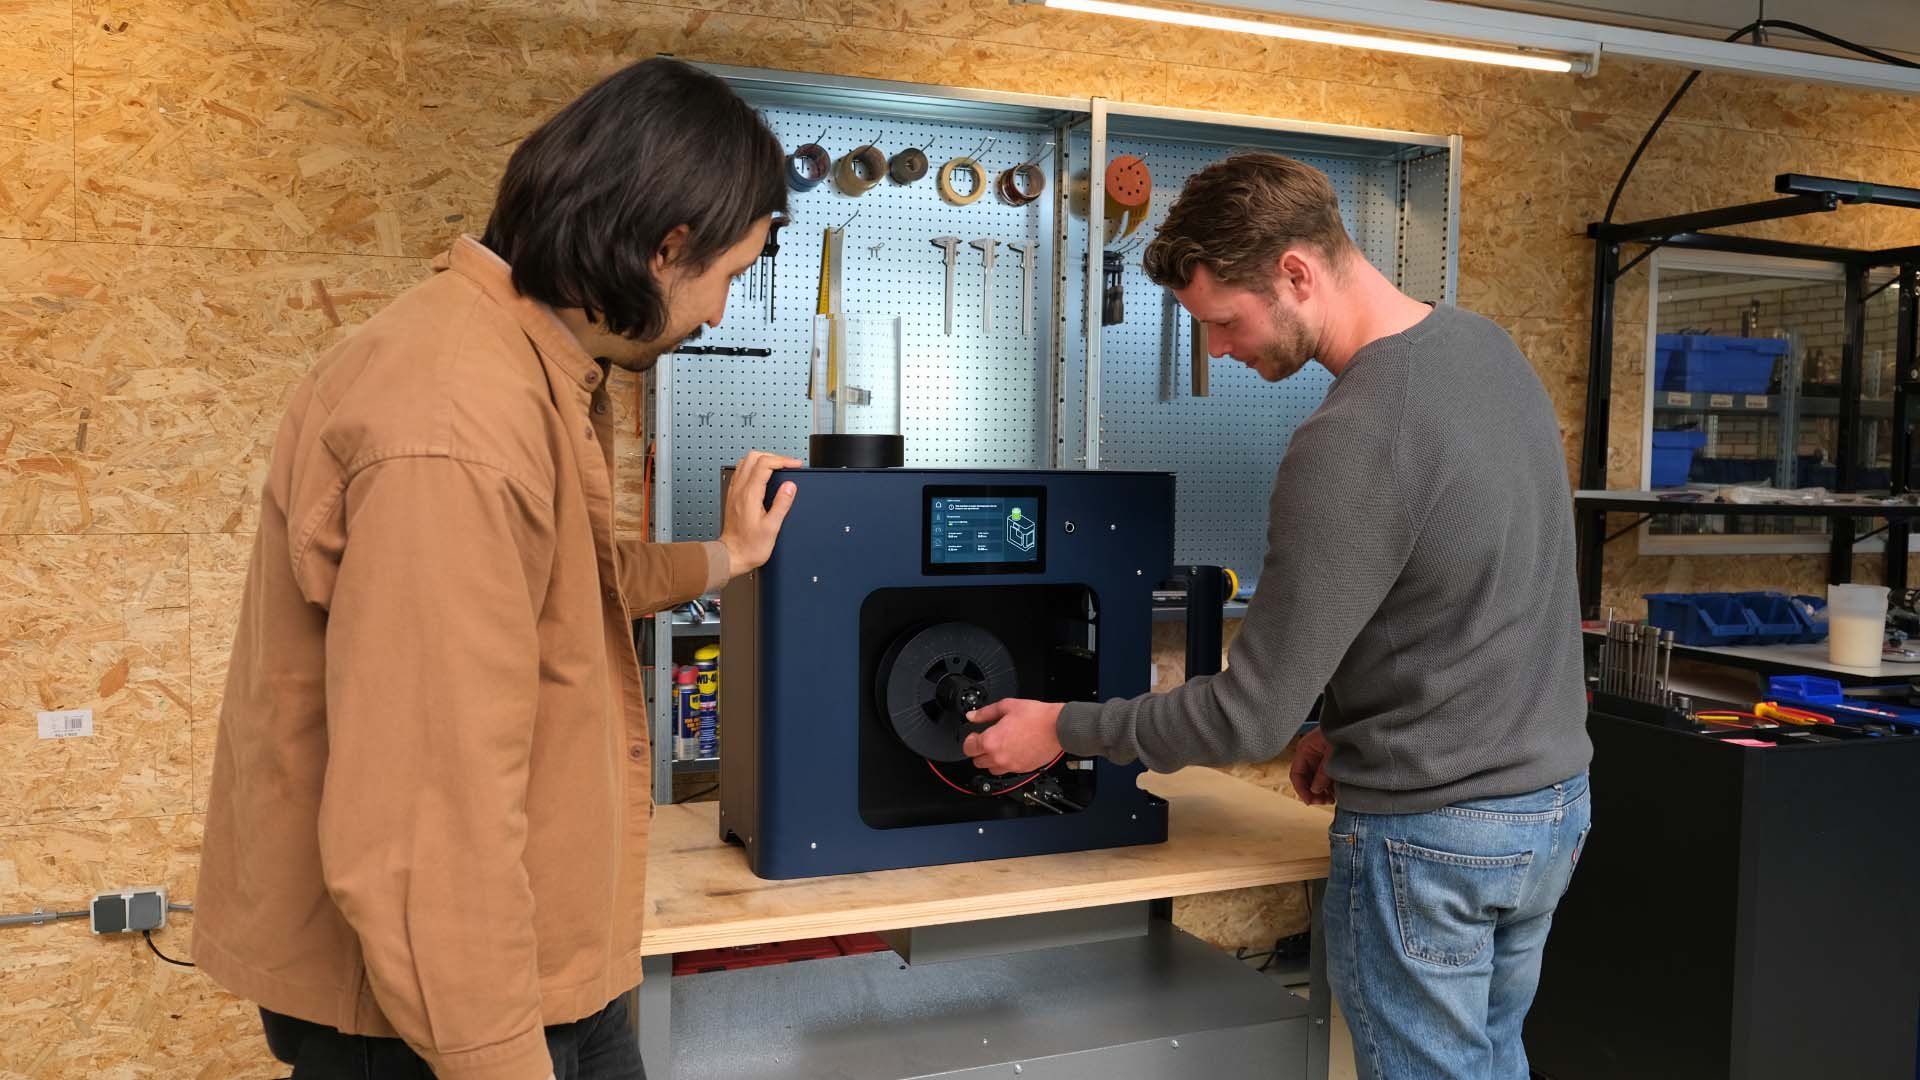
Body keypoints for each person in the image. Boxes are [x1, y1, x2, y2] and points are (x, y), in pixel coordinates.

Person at [195, 58, 797, 1080]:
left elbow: (556, 589)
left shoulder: (514, 368)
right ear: (667, 247)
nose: (723, 316)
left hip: (533, 982)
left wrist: (724, 557)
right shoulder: (457, 419)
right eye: (731, 276)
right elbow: (427, 826)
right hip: (447, 1023)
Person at [964, 153, 1593, 1080]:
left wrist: (1065, 728)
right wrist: (1343, 723)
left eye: (1224, 321)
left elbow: (1246, 716)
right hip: (1548, 812)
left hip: (1433, 841)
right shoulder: (1484, 349)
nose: (1218, 350)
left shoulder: (1350, 437)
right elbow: (1470, 593)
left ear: (1297, 272)